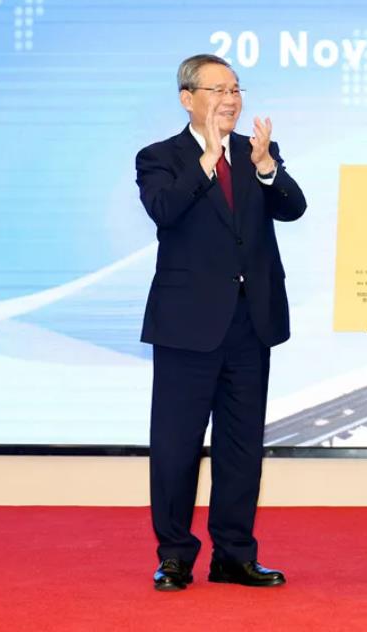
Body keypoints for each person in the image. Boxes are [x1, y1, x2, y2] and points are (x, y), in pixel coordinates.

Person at [136, 54, 307, 591]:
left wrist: (266, 167)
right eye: (218, 90)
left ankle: (234, 554)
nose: (231, 99)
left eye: (236, 89)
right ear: (187, 98)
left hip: (250, 322)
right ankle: (174, 555)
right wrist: (208, 159)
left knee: (241, 446)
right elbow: (164, 210)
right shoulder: (160, 157)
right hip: (187, 325)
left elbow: (294, 207)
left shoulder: (255, 153)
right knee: (176, 447)